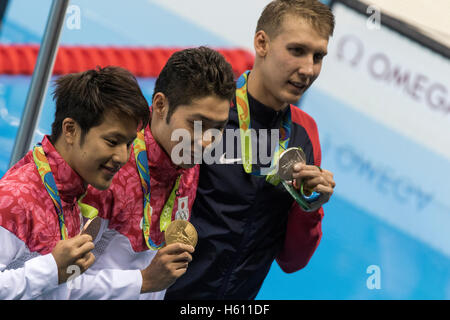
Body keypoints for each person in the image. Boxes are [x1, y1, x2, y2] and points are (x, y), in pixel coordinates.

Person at [165, 0, 337, 300]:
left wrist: (309, 205)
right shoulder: (207, 112)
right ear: (262, 43)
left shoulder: (304, 133)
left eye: (318, 56)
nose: (308, 69)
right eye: (296, 50)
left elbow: (292, 261)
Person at [45, 46, 236, 299]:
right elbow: (55, 282)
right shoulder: (109, 169)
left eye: (218, 128)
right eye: (195, 124)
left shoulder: (187, 163)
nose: (206, 141)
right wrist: (142, 281)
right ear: (160, 105)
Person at [0, 66, 150, 299]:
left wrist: (140, 281)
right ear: (70, 130)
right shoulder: (17, 198)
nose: (123, 157)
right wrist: (50, 269)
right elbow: (50, 275)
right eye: (112, 141)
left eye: (129, 144)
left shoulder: (68, 197)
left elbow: (61, 289)